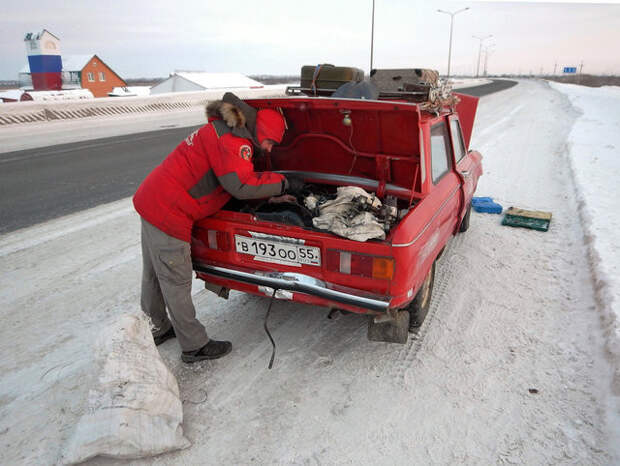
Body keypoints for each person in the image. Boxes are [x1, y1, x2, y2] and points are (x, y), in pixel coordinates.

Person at [133, 92, 303, 363]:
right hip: (170, 212)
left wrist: (270, 196)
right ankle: (194, 346)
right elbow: (240, 185)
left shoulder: (223, 130)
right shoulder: (233, 142)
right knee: (176, 279)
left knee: (155, 273)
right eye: (270, 141)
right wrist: (283, 183)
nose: (269, 149)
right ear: (260, 131)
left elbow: (232, 180)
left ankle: (158, 328)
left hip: (153, 200)